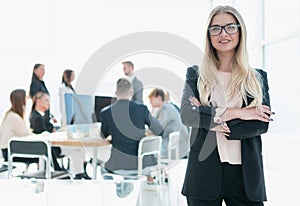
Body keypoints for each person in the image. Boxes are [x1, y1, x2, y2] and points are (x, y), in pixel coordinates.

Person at [180, 6, 274, 206]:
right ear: (209, 35)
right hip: (203, 173)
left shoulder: (257, 78)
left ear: (240, 32)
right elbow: (187, 115)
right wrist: (241, 113)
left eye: (230, 27)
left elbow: (261, 123)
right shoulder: (196, 75)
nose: (223, 34)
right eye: (216, 28)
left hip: (245, 176)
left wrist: (209, 116)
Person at [100, 78, 163, 182]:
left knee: (102, 169)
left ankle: (118, 193)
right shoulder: (142, 109)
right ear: (131, 92)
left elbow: (103, 135)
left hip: (118, 167)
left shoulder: (106, 112)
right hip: (142, 166)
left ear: (116, 93)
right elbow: (159, 130)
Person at [30, 92, 88, 179]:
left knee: (77, 151)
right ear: (37, 101)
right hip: (51, 148)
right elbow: (46, 133)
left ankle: (79, 173)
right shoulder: (36, 117)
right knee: (79, 147)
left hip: (53, 147)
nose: (48, 103)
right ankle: (70, 172)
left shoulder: (44, 116)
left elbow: (51, 130)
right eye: (46, 100)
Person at [148, 88, 189, 158]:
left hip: (173, 149)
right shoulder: (170, 107)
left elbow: (157, 130)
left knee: (148, 149)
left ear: (159, 98)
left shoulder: (164, 110)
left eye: (151, 99)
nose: (150, 102)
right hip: (181, 147)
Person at [0, 89, 37, 165]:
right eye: (25, 98)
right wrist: (43, 136)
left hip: (7, 152)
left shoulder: (10, 115)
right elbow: (26, 135)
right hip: (12, 153)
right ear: (21, 100)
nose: (27, 101)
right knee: (46, 153)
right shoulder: (15, 117)